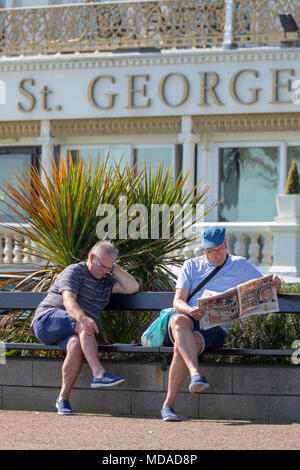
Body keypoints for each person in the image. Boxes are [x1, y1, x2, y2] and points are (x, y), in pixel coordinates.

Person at [161, 226, 281, 422]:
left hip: (214, 327)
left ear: (226, 244)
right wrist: (191, 310)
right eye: (211, 251)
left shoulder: (239, 264)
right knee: (180, 321)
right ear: (203, 250)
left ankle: (168, 405)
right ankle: (195, 374)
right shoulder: (191, 266)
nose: (217, 254)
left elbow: (264, 286)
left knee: (181, 348)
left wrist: (275, 282)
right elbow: (177, 301)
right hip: (188, 317)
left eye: (220, 249)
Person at [33, 240, 139, 415]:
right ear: (91, 258)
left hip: (72, 329)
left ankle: (63, 399)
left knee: (75, 345)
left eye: (109, 268)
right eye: (103, 266)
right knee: (83, 324)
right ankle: (98, 373)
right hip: (47, 320)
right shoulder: (74, 271)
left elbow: (132, 287)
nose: (105, 272)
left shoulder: (107, 280)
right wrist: (82, 318)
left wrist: (114, 268)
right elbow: (68, 301)